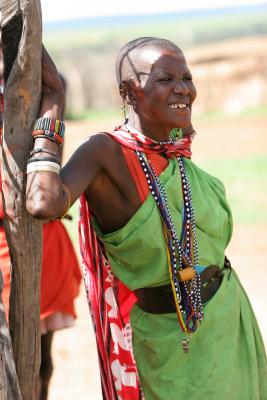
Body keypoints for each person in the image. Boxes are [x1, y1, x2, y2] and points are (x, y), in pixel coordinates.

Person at [26, 38, 267, 400]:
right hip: (170, 341)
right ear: (129, 92)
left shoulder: (175, 151)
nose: (183, 88)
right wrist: (55, 100)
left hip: (229, 323)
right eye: (165, 79)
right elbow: (43, 201)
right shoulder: (106, 152)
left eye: (186, 77)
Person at [0, 43, 82, 400]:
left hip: (39, 244)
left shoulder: (36, 95)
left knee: (38, 361)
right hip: (12, 246)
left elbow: (42, 187)